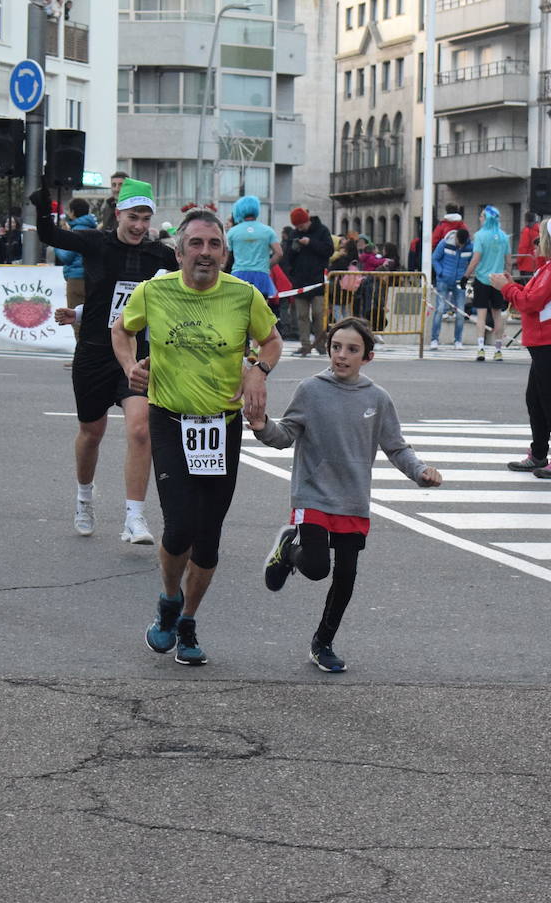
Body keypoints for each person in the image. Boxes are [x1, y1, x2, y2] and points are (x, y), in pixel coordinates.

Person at [113, 209, 281, 665]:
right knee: (180, 524)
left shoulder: (244, 296)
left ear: (225, 253)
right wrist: (131, 366)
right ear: (179, 250)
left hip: (221, 426)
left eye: (213, 245)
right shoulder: (155, 291)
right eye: (196, 244)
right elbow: (121, 329)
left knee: (208, 538)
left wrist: (258, 374)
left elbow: (272, 341)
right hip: (170, 418)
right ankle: (169, 601)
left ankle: (187, 621)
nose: (205, 253)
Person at [254, 316, 442, 672]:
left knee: (346, 576)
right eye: (336, 347)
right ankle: (288, 550)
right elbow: (286, 434)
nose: (341, 355)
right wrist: (263, 426)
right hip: (312, 495)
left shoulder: (378, 398)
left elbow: (397, 447)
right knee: (316, 568)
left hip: (353, 499)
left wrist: (420, 472)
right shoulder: (310, 389)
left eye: (352, 350)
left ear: (367, 357)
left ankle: (322, 643)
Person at [33, 178, 177, 544]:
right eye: (134, 216)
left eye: (146, 218)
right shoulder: (96, 243)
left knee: (141, 429)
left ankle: (135, 517)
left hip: (137, 356)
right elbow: (50, 236)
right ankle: (84, 497)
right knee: (91, 433)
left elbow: (193, 272)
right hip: (95, 352)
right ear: (118, 214)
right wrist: (43, 201)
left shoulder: (160, 255)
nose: (140, 225)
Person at [491, 217, 551, 480]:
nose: (536, 244)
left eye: (540, 239)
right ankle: (539, 453)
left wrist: (506, 288)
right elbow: (534, 298)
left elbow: (531, 303)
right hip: (547, 341)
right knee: (538, 400)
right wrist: (512, 285)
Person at [465, 205, 511, 362]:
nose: (480, 218)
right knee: (498, 315)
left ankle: (481, 348)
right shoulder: (504, 237)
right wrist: (508, 275)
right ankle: (498, 350)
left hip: (482, 279)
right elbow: (509, 261)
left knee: (481, 315)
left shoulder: (480, 236)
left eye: (482, 216)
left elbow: (476, 258)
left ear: (487, 219)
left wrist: (466, 275)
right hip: (498, 280)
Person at [285, 206, 333, 356]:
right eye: (297, 226)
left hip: (317, 281)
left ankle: (320, 345)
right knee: (302, 316)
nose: (300, 228)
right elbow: (287, 257)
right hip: (300, 282)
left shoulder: (322, 231)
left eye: (301, 225)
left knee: (319, 314)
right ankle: (305, 345)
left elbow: (329, 250)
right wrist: (293, 249)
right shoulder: (294, 234)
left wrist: (310, 243)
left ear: (307, 220)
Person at [227, 195, 282, 303]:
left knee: (240, 310)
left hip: (239, 274)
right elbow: (279, 253)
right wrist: (266, 265)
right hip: (261, 275)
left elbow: (225, 256)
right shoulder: (268, 231)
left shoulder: (233, 232)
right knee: (260, 310)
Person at [429, 227, 472, 350]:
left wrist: (466, 276)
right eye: (459, 243)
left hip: (459, 282)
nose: (460, 246)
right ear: (456, 238)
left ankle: (458, 340)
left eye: (463, 244)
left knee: (460, 312)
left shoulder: (470, 247)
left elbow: (472, 261)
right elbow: (435, 258)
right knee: (439, 309)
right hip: (443, 280)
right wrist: (440, 272)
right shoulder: (445, 243)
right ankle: (434, 339)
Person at [55, 198, 96, 312]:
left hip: (76, 278)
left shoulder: (77, 231)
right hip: (93, 277)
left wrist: (57, 244)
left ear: (73, 212)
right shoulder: (94, 230)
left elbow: (66, 257)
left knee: (75, 317)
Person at [516, 211, 542, 276]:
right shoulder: (539, 231)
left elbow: (523, 248)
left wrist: (518, 261)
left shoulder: (526, 231)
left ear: (526, 220)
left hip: (526, 265)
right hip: (537, 264)